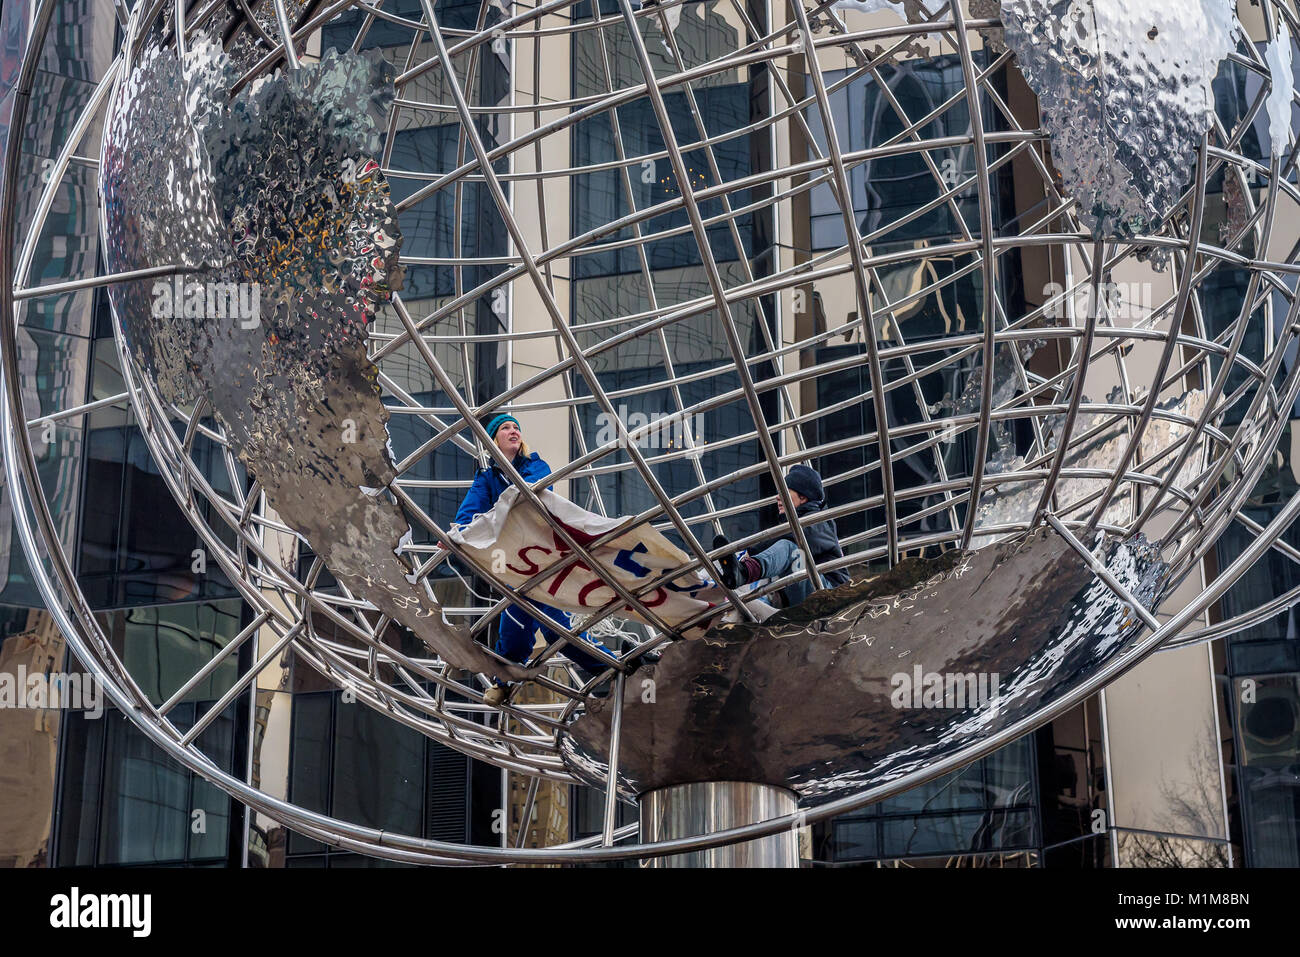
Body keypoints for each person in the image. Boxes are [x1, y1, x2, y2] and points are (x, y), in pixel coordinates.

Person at [455, 413, 612, 706]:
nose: (513, 431)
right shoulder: (487, 478)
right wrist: (457, 536)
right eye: (505, 428)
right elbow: (466, 518)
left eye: (516, 427)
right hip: (517, 567)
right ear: (493, 440)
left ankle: (611, 670)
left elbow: (529, 496)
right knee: (514, 633)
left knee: (558, 632)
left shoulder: (535, 465)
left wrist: (493, 519)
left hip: (545, 561)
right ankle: (503, 682)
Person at [713, 464, 850, 608]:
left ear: (803, 497)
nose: (777, 497)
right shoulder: (797, 525)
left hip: (832, 595)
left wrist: (751, 551)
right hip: (807, 592)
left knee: (790, 550)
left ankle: (744, 572)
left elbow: (796, 536)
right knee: (774, 560)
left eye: (784, 492)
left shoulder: (819, 521)